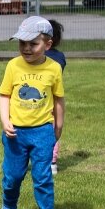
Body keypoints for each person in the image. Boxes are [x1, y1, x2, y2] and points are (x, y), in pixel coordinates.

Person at [0, 16, 65, 209]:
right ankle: (9, 206)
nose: (26, 48)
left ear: (48, 44)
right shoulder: (13, 66)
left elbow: (58, 99)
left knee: (42, 177)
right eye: (22, 43)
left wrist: (58, 126)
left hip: (43, 132)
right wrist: (5, 121)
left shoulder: (54, 68)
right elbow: (4, 95)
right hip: (16, 133)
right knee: (13, 176)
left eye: (33, 44)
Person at [44, 20, 66, 176]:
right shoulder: (60, 57)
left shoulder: (40, 56)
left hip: (43, 100)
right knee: (53, 129)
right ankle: (52, 162)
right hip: (54, 98)